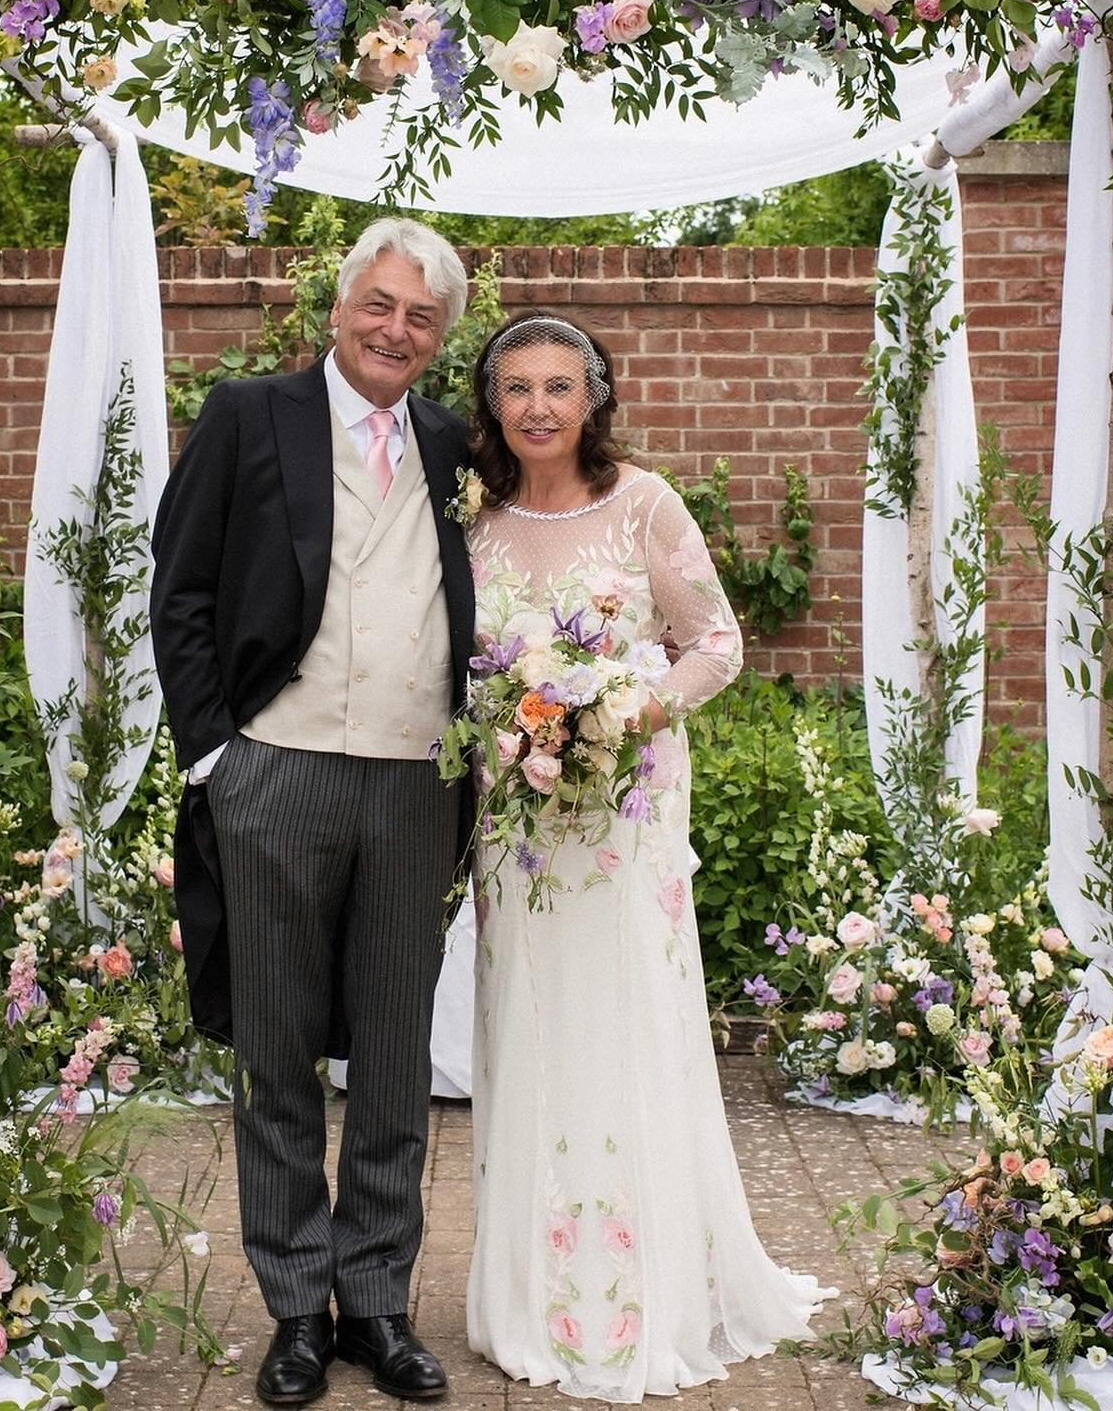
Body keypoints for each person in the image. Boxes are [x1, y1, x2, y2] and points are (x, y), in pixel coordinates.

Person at [463, 312, 833, 1402]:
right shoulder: (474, 520)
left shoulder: (645, 503)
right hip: (518, 836)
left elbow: (715, 642)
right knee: (528, 1029)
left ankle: (647, 1293)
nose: (538, 406)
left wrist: (626, 713)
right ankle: (531, 1293)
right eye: (517, 387)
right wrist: (506, 733)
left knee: (624, 1022)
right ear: (492, 403)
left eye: (559, 386)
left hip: (624, 825)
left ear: (595, 398)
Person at [150, 218, 475, 1406]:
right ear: (339, 308)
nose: (396, 329)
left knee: (396, 1050)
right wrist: (214, 758)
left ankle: (377, 1303)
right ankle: (295, 1307)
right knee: (276, 1051)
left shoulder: (454, 443)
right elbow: (178, 590)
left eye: (421, 316)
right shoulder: (249, 417)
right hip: (271, 770)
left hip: (414, 781)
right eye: (380, 305)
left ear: (440, 339)